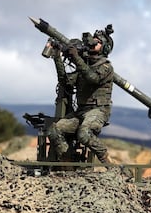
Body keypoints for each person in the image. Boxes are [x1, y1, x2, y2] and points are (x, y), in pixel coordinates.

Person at [48, 27, 114, 165]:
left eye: (97, 43)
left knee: (84, 134)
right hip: (82, 111)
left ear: (105, 48)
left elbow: (92, 78)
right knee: (55, 129)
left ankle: (110, 164)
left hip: (98, 110)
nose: (92, 44)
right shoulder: (83, 65)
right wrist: (57, 57)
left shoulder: (106, 67)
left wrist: (77, 57)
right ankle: (68, 166)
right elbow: (65, 81)